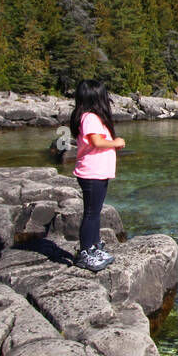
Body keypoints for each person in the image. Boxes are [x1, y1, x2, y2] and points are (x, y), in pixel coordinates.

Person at [68, 79, 125, 272]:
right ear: (96, 97)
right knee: (91, 214)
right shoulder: (90, 117)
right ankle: (85, 253)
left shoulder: (90, 117)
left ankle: (94, 247)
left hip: (97, 172)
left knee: (95, 212)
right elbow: (96, 142)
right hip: (92, 173)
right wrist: (116, 143)